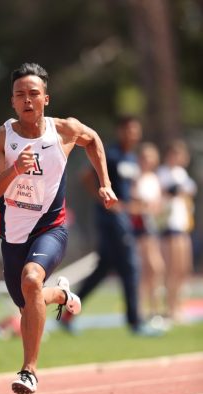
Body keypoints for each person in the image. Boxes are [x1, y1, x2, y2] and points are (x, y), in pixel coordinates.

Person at [0, 62, 118, 394]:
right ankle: (62, 295)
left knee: (31, 279)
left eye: (33, 94)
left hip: (51, 228)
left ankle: (29, 370)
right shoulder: (2, 137)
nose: (27, 100)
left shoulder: (64, 131)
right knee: (28, 303)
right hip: (13, 234)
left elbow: (93, 139)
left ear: (46, 98)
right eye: (20, 95)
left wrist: (105, 183)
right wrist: (14, 171)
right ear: (12, 102)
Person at [60, 116, 164, 336]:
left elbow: (127, 188)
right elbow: (86, 176)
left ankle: (68, 313)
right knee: (130, 267)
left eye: (135, 130)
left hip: (124, 217)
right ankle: (135, 323)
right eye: (128, 130)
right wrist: (105, 201)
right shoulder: (111, 153)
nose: (132, 134)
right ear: (120, 131)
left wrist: (135, 203)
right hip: (110, 219)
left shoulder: (131, 158)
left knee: (102, 270)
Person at [157, 139, 197, 322]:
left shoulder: (181, 173)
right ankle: (170, 307)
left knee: (183, 268)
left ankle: (179, 306)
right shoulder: (164, 172)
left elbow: (190, 190)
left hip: (183, 225)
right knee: (172, 268)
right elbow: (169, 191)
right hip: (169, 226)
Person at [131, 142, 165, 319]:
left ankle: (154, 308)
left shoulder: (154, 179)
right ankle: (142, 309)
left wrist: (153, 209)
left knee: (154, 269)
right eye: (144, 157)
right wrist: (143, 206)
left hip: (152, 227)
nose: (148, 160)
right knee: (148, 267)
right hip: (140, 228)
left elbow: (158, 205)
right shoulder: (136, 178)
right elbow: (133, 204)